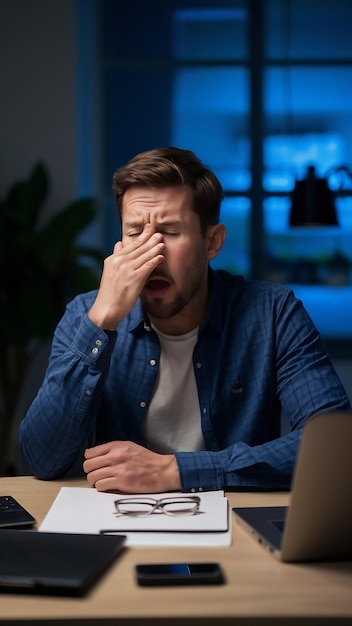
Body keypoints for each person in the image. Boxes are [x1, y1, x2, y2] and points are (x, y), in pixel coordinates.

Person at [19, 147, 350, 494]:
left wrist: (176, 471)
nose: (152, 254)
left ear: (212, 242)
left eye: (171, 232)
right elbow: (42, 458)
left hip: (237, 528)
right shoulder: (86, 315)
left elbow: (333, 447)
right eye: (135, 233)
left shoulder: (273, 313)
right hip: (122, 526)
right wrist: (102, 322)